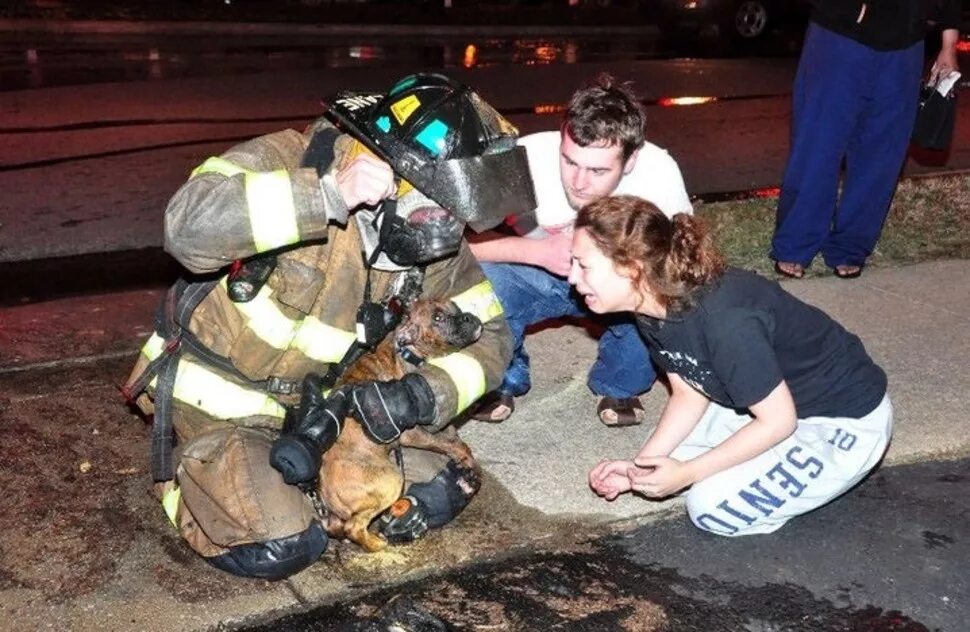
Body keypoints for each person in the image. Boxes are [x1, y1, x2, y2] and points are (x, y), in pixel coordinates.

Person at [122, 73, 536, 579]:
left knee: (447, 485)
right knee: (286, 546)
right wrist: (325, 195)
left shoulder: (428, 236)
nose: (451, 227)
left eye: (459, 211)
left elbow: (492, 335)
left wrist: (422, 397)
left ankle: (318, 494)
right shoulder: (290, 161)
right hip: (230, 410)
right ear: (394, 172)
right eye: (442, 204)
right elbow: (185, 226)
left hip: (337, 416)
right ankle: (187, 486)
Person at [573, 195, 892, 536]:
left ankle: (792, 473)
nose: (573, 278)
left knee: (710, 508)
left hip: (843, 422)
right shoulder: (652, 303)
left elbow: (778, 422)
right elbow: (688, 390)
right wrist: (639, 469)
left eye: (584, 265)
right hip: (778, 406)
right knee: (667, 458)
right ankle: (761, 461)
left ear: (632, 269)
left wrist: (689, 474)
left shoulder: (726, 322)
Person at [467, 74, 693, 426]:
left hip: (620, 284)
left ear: (630, 161)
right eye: (570, 162)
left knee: (662, 297)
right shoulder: (522, 161)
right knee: (482, 283)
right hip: (542, 269)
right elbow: (457, 243)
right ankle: (503, 377)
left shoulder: (658, 174)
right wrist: (536, 252)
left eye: (598, 170)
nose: (579, 182)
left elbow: (684, 264)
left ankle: (620, 383)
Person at [771, 0, 961, 280]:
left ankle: (851, 246)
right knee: (819, 144)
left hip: (905, 45)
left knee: (882, 153)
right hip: (840, 38)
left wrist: (949, 45)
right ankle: (796, 243)